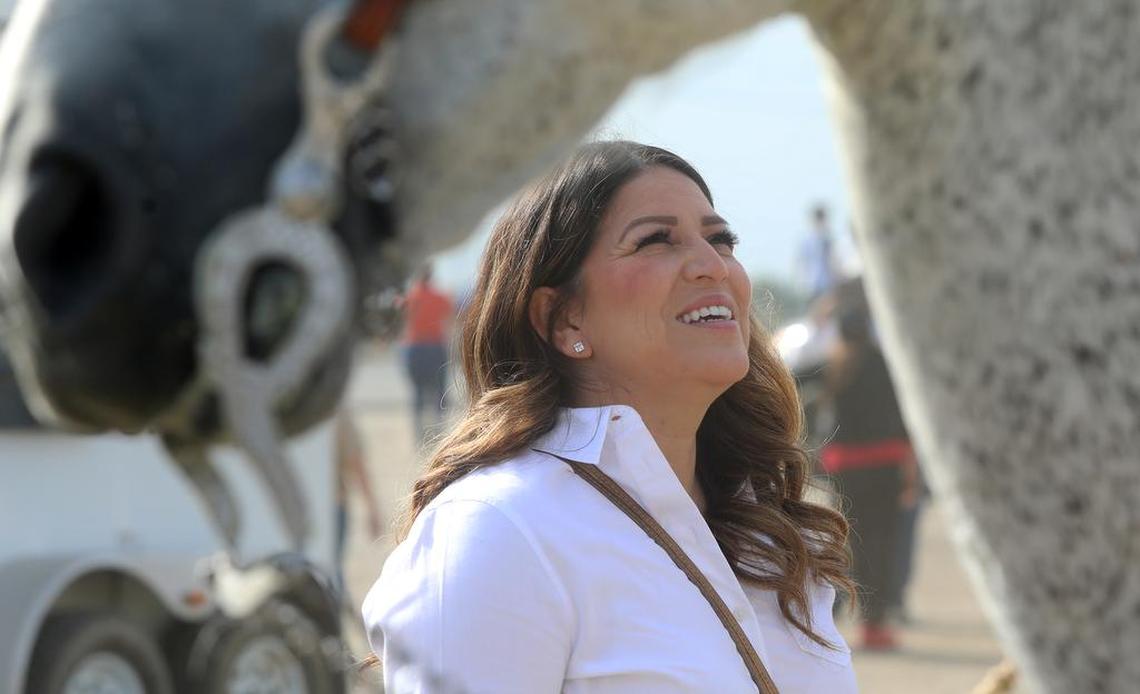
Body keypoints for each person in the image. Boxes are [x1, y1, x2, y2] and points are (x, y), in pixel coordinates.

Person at [362, 141, 857, 692]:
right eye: (655, 241)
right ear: (563, 318)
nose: (712, 266)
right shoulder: (499, 529)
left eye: (721, 240)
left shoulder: (766, 532)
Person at [820, 279, 917, 651]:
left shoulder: (831, 366)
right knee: (883, 544)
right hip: (885, 467)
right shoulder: (885, 364)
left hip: (846, 470)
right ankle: (875, 625)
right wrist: (911, 471)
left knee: (850, 544)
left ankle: (835, 614)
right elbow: (904, 419)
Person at [398, 263, 453, 444]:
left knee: (418, 390)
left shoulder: (409, 297)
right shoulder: (440, 297)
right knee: (439, 389)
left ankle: (418, 432)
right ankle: (438, 429)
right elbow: (452, 318)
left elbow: (398, 317)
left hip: (415, 347)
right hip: (435, 346)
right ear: (431, 276)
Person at [333, 408, 383, 595]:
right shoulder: (332, 407)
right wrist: (372, 508)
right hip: (333, 505)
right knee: (331, 570)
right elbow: (355, 460)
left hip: (281, 510)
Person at [797, 203, 841, 301]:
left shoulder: (828, 239)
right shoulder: (808, 241)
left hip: (829, 284)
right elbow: (802, 263)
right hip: (815, 284)